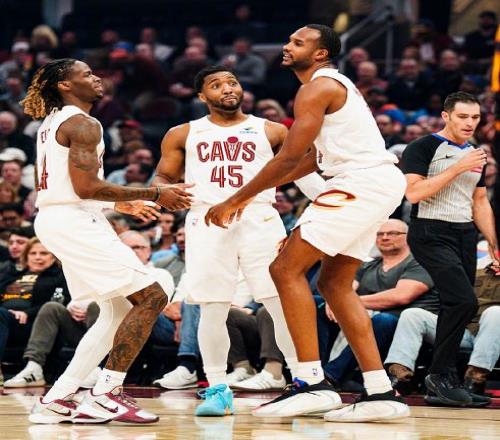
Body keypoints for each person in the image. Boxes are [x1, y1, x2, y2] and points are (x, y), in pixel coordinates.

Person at [205, 24, 410, 422]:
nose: (287, 46)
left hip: (359, 182)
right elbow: (310, 159)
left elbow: (287, 156)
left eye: (298, 42)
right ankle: (380, 391)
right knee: (333, 284)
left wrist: (235, 199)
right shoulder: (331, 87)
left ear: (320, 54)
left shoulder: (317, 87)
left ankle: (312, 383)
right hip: (373, 182)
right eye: (289, 40)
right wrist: (258, 189)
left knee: (285, 269)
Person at [21, 58, 192, 424]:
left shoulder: (50, 123)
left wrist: (117, 202)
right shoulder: (83, 123)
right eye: (86, 74)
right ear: (65, 85)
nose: (97, 78)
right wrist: (154, 193)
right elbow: (85, 186)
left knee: (116, 309)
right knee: (152, 296)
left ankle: (59, 396)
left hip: (59, 217)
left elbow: (65, 186)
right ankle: (106, 393)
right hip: (74, 221)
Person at [153, 65, 308, 417]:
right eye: (216, 85)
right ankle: (217, 388)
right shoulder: (182, 133)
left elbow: (302, 170)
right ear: (201, 95)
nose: (227, 89)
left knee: (279, 302)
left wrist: (324, 201)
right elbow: (163, 176)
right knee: (212, 306)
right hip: (207, 219)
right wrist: (163, 192)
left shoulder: (271, 129)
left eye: (233, 82)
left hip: (260, 217)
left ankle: (303, 381)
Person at [402, 91, 498, 407]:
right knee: (463, 301)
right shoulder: (422, 147)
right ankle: (439, 376)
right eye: (462, 116)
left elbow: (479, 201)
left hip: (465, 232)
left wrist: (493, 243)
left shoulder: (475, 154)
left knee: (457, 305)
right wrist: (457, 167)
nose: (470, 123)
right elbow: (414, 193)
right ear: (446, 116)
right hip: (430, 230)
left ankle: (444, 381)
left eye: (475, 117)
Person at [320, 219, 438, 387]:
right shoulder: (368, 265)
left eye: (392, 233)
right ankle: (314, 368)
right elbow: (345, 288)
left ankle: (331, 375)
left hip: (405, 325)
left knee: (382, 320)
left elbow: (401, 296)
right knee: (317, 304)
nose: (385, 237)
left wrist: (345, 302)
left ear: (408, 236)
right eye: (380, 234)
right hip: (367, 316)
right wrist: (334, 301)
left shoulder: (419, 262)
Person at [385, 265, 500, 405]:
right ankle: (400, 377)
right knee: (413, 314)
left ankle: (475, 380)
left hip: (493, 334)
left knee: (495, 312)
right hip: (462, 331)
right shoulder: (474, 271)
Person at [0, 238, 70, 385]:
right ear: (26, 256)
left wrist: (27, 313)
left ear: (53, 257)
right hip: (5, 318)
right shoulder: (11, 276)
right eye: (33, 253)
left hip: (33, 324)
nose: (38, 257)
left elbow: (58, 303)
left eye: (44, 253)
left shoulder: (59, 277)